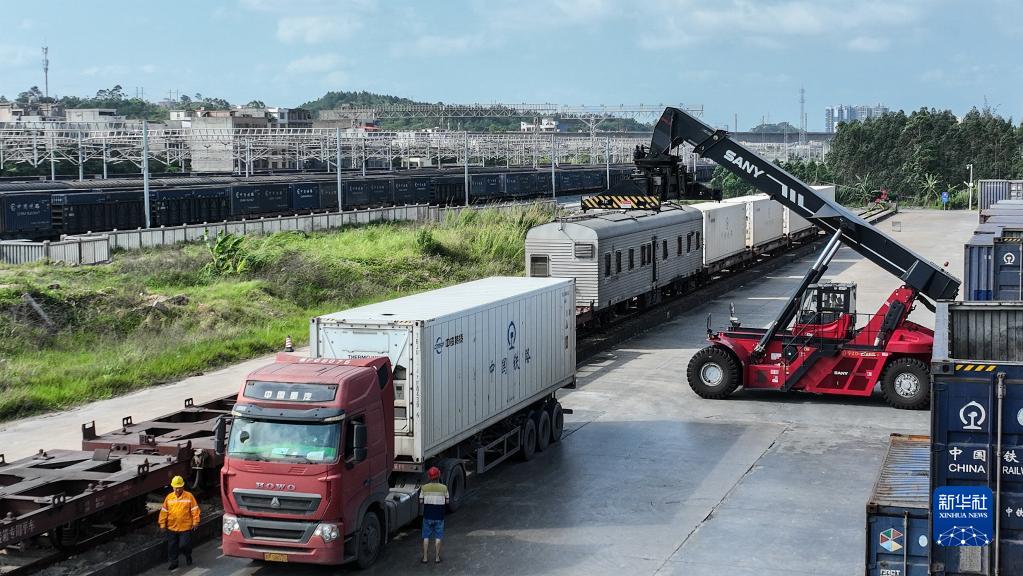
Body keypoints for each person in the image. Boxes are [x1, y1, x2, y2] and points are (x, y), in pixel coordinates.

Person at [159, 475, 201, 571]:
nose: (177, 490)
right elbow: (164, 512)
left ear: (183, 487)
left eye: (179, 488)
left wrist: (196, 522)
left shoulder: (189, 496)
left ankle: (188, 555)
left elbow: (195, 510)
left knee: (184, 545)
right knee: (172, 547)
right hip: (172, 528)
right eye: (175, 488)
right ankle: (174, 562)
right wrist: (162, 524)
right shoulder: (169, 498)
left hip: (185, 527)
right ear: (173, 487)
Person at [420, 466, 449, 564]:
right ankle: (437, 558)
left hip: (427, 515)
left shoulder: (424, 488)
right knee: (438, 536)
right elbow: (447, 501)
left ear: (429, 476)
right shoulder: (444, 488)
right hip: (439, 516)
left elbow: (421, 501)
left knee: (426, 536)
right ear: (439, 475)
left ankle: (425, 558)